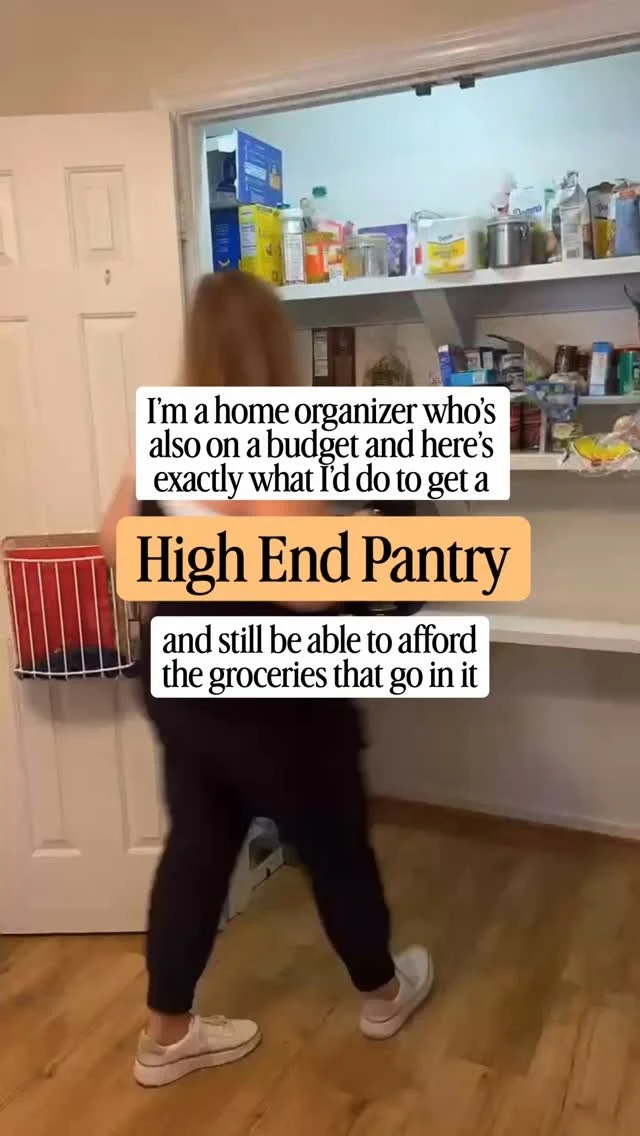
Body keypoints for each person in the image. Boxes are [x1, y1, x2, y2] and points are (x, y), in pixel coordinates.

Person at [101, 271, 433, 1089]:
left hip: (183, 681)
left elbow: (118, 551)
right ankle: (384, 995)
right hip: (272, 695)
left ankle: (166, 1035)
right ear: (272, 346)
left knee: (197, 847)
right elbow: (306, 590)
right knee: (335, 846)